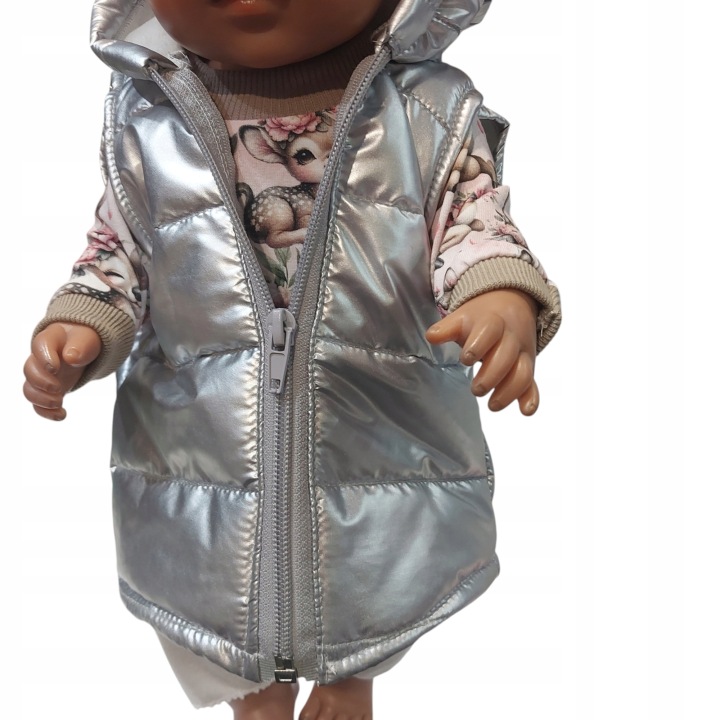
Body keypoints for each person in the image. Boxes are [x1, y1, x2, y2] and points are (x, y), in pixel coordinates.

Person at [22, 1, 561, 718]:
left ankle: (353, 672)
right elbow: (117, 249)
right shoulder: (149, 121)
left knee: (381, 559)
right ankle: (251, 688)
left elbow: (474, 219)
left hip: (381, 429)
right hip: (197, 442)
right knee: (210, 574)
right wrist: (84, 320)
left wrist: (498, 292)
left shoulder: (423, 112)